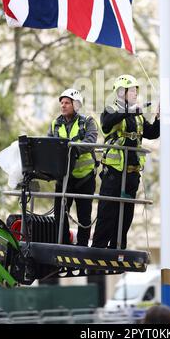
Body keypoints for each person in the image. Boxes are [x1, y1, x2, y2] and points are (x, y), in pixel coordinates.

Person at [92, 75, 160, 250]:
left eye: (136, 90)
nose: (135, 93)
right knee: (108, 211)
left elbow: (151, 133)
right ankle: (99, 248)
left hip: (132, 172)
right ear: (121, 93)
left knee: (127, 212)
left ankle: (118, 246)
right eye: (132, 90)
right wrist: (130, 111)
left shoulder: (137, 115)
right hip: (114, 171)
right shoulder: (110, 109)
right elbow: (107, 123)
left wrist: (159, 118)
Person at [48, 88, 98, 246]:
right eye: (61, 103)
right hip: (63, 178)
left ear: (76, 105)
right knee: (60, 214)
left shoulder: (87, 122)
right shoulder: (55, 124)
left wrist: (70, 148)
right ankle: (62, 244)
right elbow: (48, 145)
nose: (63, 106)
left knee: (84, 217)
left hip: (85, 178)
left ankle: (82, 246)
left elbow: (90, 142)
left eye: (67, 103)